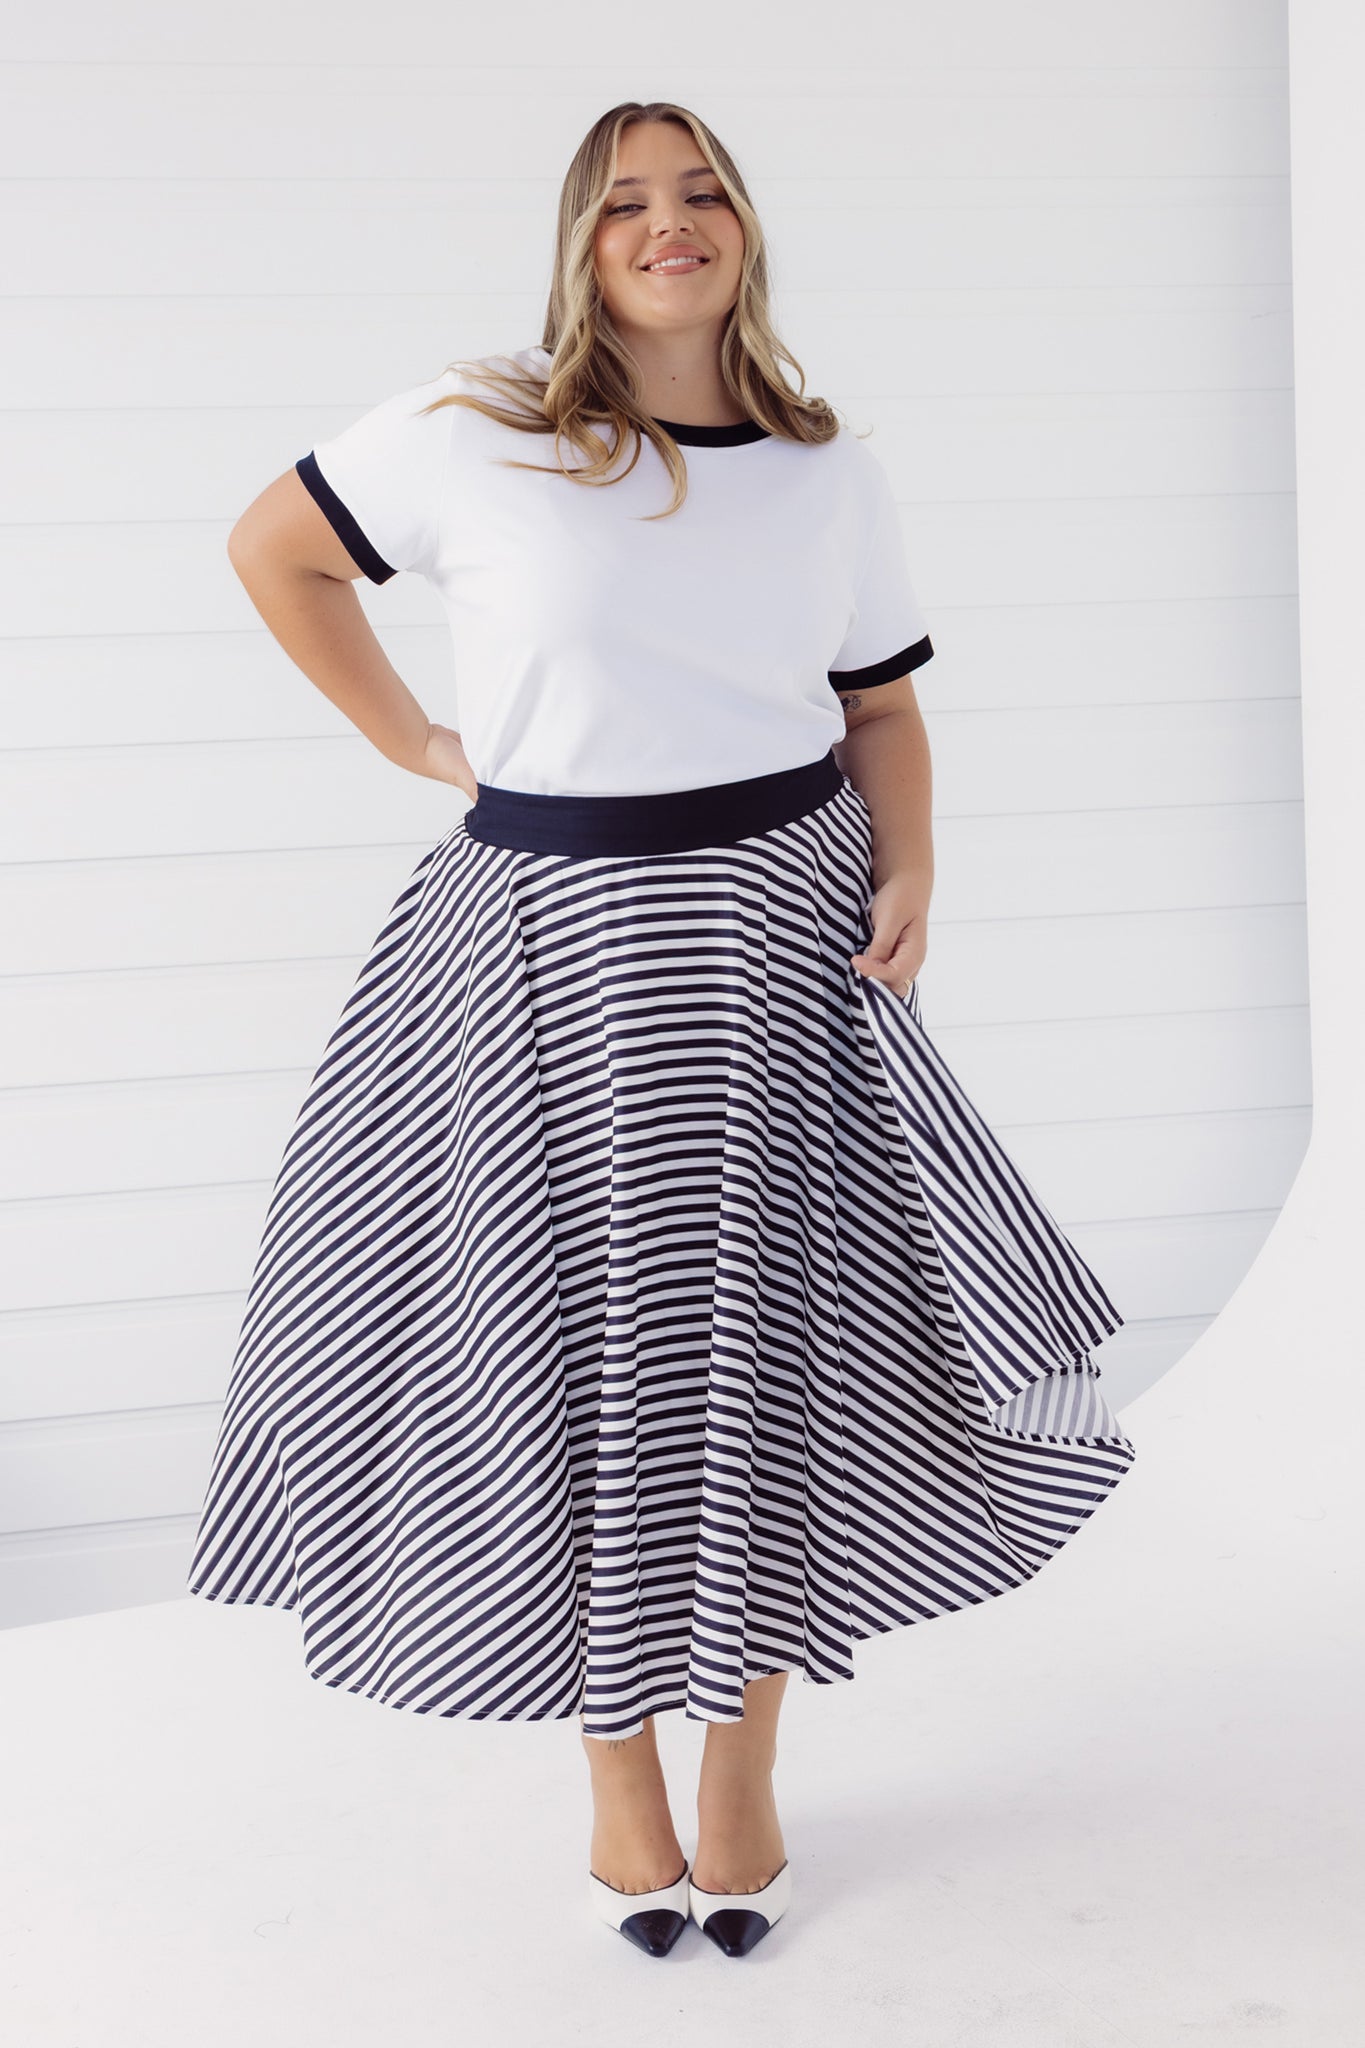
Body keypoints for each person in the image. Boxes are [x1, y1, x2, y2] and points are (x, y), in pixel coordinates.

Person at [186, 100, 1137, 1961]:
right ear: (578, 240)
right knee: (558, 1356)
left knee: (773, 1353)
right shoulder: (474, 432)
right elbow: (269, 550)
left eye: (700, 192)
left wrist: (915, 865)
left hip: (779, 946)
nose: (668, 223)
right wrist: (409, 740)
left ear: (744, 229)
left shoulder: (820, 465)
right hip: (545, 947)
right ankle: (617, 1768)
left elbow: (877, 709)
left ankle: (744, 1764)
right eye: (626, 200)